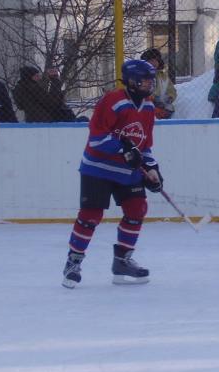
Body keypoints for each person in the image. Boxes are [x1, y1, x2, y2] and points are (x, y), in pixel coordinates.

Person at [61, 59, 163, 289]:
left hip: (127, 173)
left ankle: (122, 261)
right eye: (144, 81)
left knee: (137, 209)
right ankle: (73, 262)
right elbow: (97, 138)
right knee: (91, 215)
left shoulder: (147, 107)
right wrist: (124, 149)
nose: (149, 85)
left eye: (151, 81)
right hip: (98, 168)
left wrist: (153, 169)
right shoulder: (113, 101)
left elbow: (144, 146)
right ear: (131, 81)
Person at [140, 48, 178, 119]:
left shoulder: (163, 76)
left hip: (163, 106)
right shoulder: (140, 75)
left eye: (156, 60)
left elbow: (172, 91)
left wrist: (169, 98)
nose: (154, 63)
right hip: (145, 107)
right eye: (151, 60)